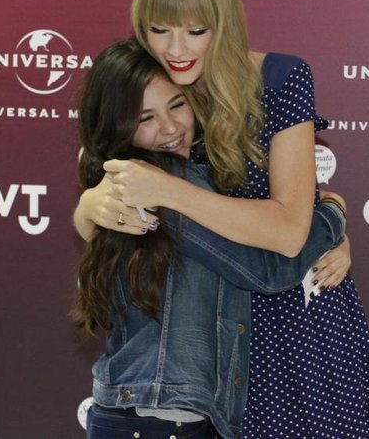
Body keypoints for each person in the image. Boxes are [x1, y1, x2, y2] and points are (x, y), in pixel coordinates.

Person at [75, 0, 369, 437]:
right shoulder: (156, 93)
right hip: (212, 351)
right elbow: (110, 198)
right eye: (159, 30)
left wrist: (325, 218)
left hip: (299, 326)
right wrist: (89, 205)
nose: (175, 49)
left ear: (222, 21)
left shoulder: (280, 80)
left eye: (195, 30)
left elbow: (289, 232)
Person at [75, 39, 349, 439]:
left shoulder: (123, 179)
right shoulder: (162, 185)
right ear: (118, 125)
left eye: (177, 105)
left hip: (143, 413)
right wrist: (332, 213)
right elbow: (271, 268)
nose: (169, 129)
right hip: (162, 419)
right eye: (144, 118)